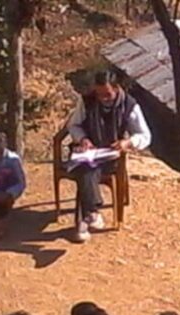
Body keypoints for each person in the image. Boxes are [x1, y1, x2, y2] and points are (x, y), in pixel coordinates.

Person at [66, 70, 152, 243]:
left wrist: (127, 143)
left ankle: (86, 218)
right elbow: (73, 125)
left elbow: (145, 135)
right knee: (86, 170)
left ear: (117, 88)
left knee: (86, 173)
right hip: (90, 152)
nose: (103, 99)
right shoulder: (87, 101)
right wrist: (83, 139)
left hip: (112, 155)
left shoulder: (129, 105)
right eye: (99, 95)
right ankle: (92, 213)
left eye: (107, 94)